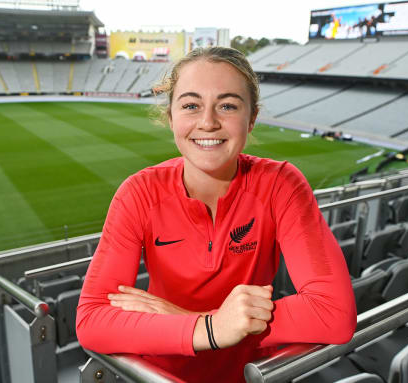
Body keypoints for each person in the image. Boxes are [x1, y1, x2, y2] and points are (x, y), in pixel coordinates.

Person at [76, 47, 357, 382]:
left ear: (251, 118)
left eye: (227, 105)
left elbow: (334, 314)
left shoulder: (281, 183)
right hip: (161, 375)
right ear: (171, 117)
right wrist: (211, 327)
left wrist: (193, 319)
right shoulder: (139, 193)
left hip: (249, 374)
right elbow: (92, 319)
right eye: (191, 105)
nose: (208, 122)